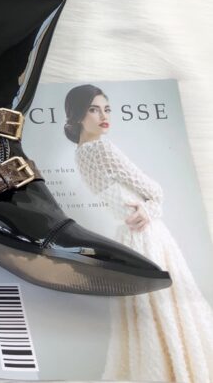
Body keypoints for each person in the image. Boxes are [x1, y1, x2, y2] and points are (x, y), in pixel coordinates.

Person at [64, 84, 213, 383]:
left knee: (146, 308)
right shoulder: (101, 148)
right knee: (168, 303)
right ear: (78, 115)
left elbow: (145, 198)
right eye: (94, 109)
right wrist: (150, 209)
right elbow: (155, 191)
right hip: (147, 234)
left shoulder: (79, 154)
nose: (104, 116)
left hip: (129, 234)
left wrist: (148, 209)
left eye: (107, 109)